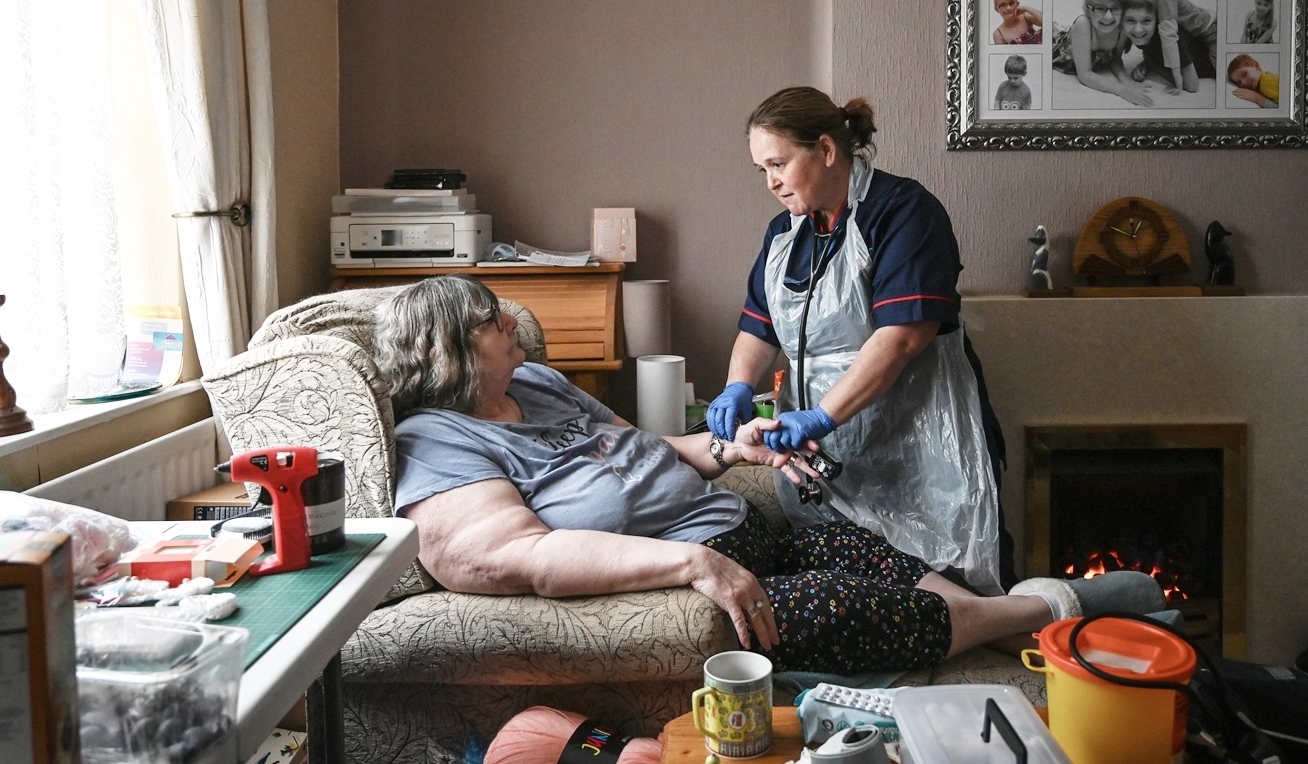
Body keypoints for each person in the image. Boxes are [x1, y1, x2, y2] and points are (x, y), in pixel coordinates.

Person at [376, 275, 1166, 674]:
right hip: (687, 570)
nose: (511, 321)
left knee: (898, 566)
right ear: (444, 351)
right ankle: (1059, 611)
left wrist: (728, 449)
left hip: (741, 531)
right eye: (489, 320)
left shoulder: (533, 384)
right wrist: (692, 561)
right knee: (867, 608)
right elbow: (519, 558)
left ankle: (1034, 630)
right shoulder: (438, 441)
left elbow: (649, 448)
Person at [707, 87, 1015, 594]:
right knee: (853, 590)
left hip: (920, 446)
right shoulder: (785, 234)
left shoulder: (904, 212)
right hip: (826, 456)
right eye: (762, 170)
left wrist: (821, 415)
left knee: (954, 588)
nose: (771, 182)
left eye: (779, 164)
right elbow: (759, 326)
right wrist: (737, 385)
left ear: (827, 150)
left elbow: (901, 339)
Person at [1051, 0, 1154, 107]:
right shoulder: (1083, 25)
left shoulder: (1120, 29)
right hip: (1055, 43)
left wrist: (1126, 81)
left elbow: (1115, 59)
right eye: (1100, 9)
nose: (1108, 17)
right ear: (1087, 10)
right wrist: (1122, 90)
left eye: (1115, 8)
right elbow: (1085, 74)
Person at [1119, 0, 1204, 95]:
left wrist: (1151, 64)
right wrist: (1145, 64)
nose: (1138, 30)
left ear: (1157, 19)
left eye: (1146, 21)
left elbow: (1192, 86)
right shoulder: (1140, 34)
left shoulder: (1171, 38)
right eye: (1130, 20)